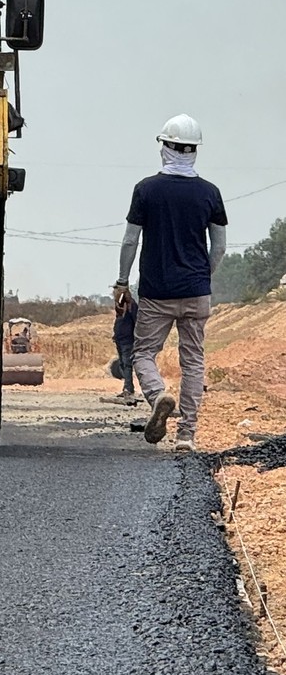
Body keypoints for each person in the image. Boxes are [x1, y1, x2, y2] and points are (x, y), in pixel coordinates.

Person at [116, 115, 227, 452]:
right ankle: (186, 435)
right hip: (196, 292)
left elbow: (130, 242)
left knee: (144, 353)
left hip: (156, 293)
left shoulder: (146, 189)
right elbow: (219, 247)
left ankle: (157, 395)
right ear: (195, 151)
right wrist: (202, 277)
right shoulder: (210, 193)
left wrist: (122, 282)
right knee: (193, 360)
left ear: (164, 147)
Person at [102, 285, 139, 406]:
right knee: (123, 364)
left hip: (128, 339)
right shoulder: (120, 306)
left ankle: (128, 389)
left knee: (127, 364)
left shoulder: (131, 306)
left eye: (116, 292)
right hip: (120, 339)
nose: (114, 295)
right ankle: (127, 387)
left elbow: (136, 321)